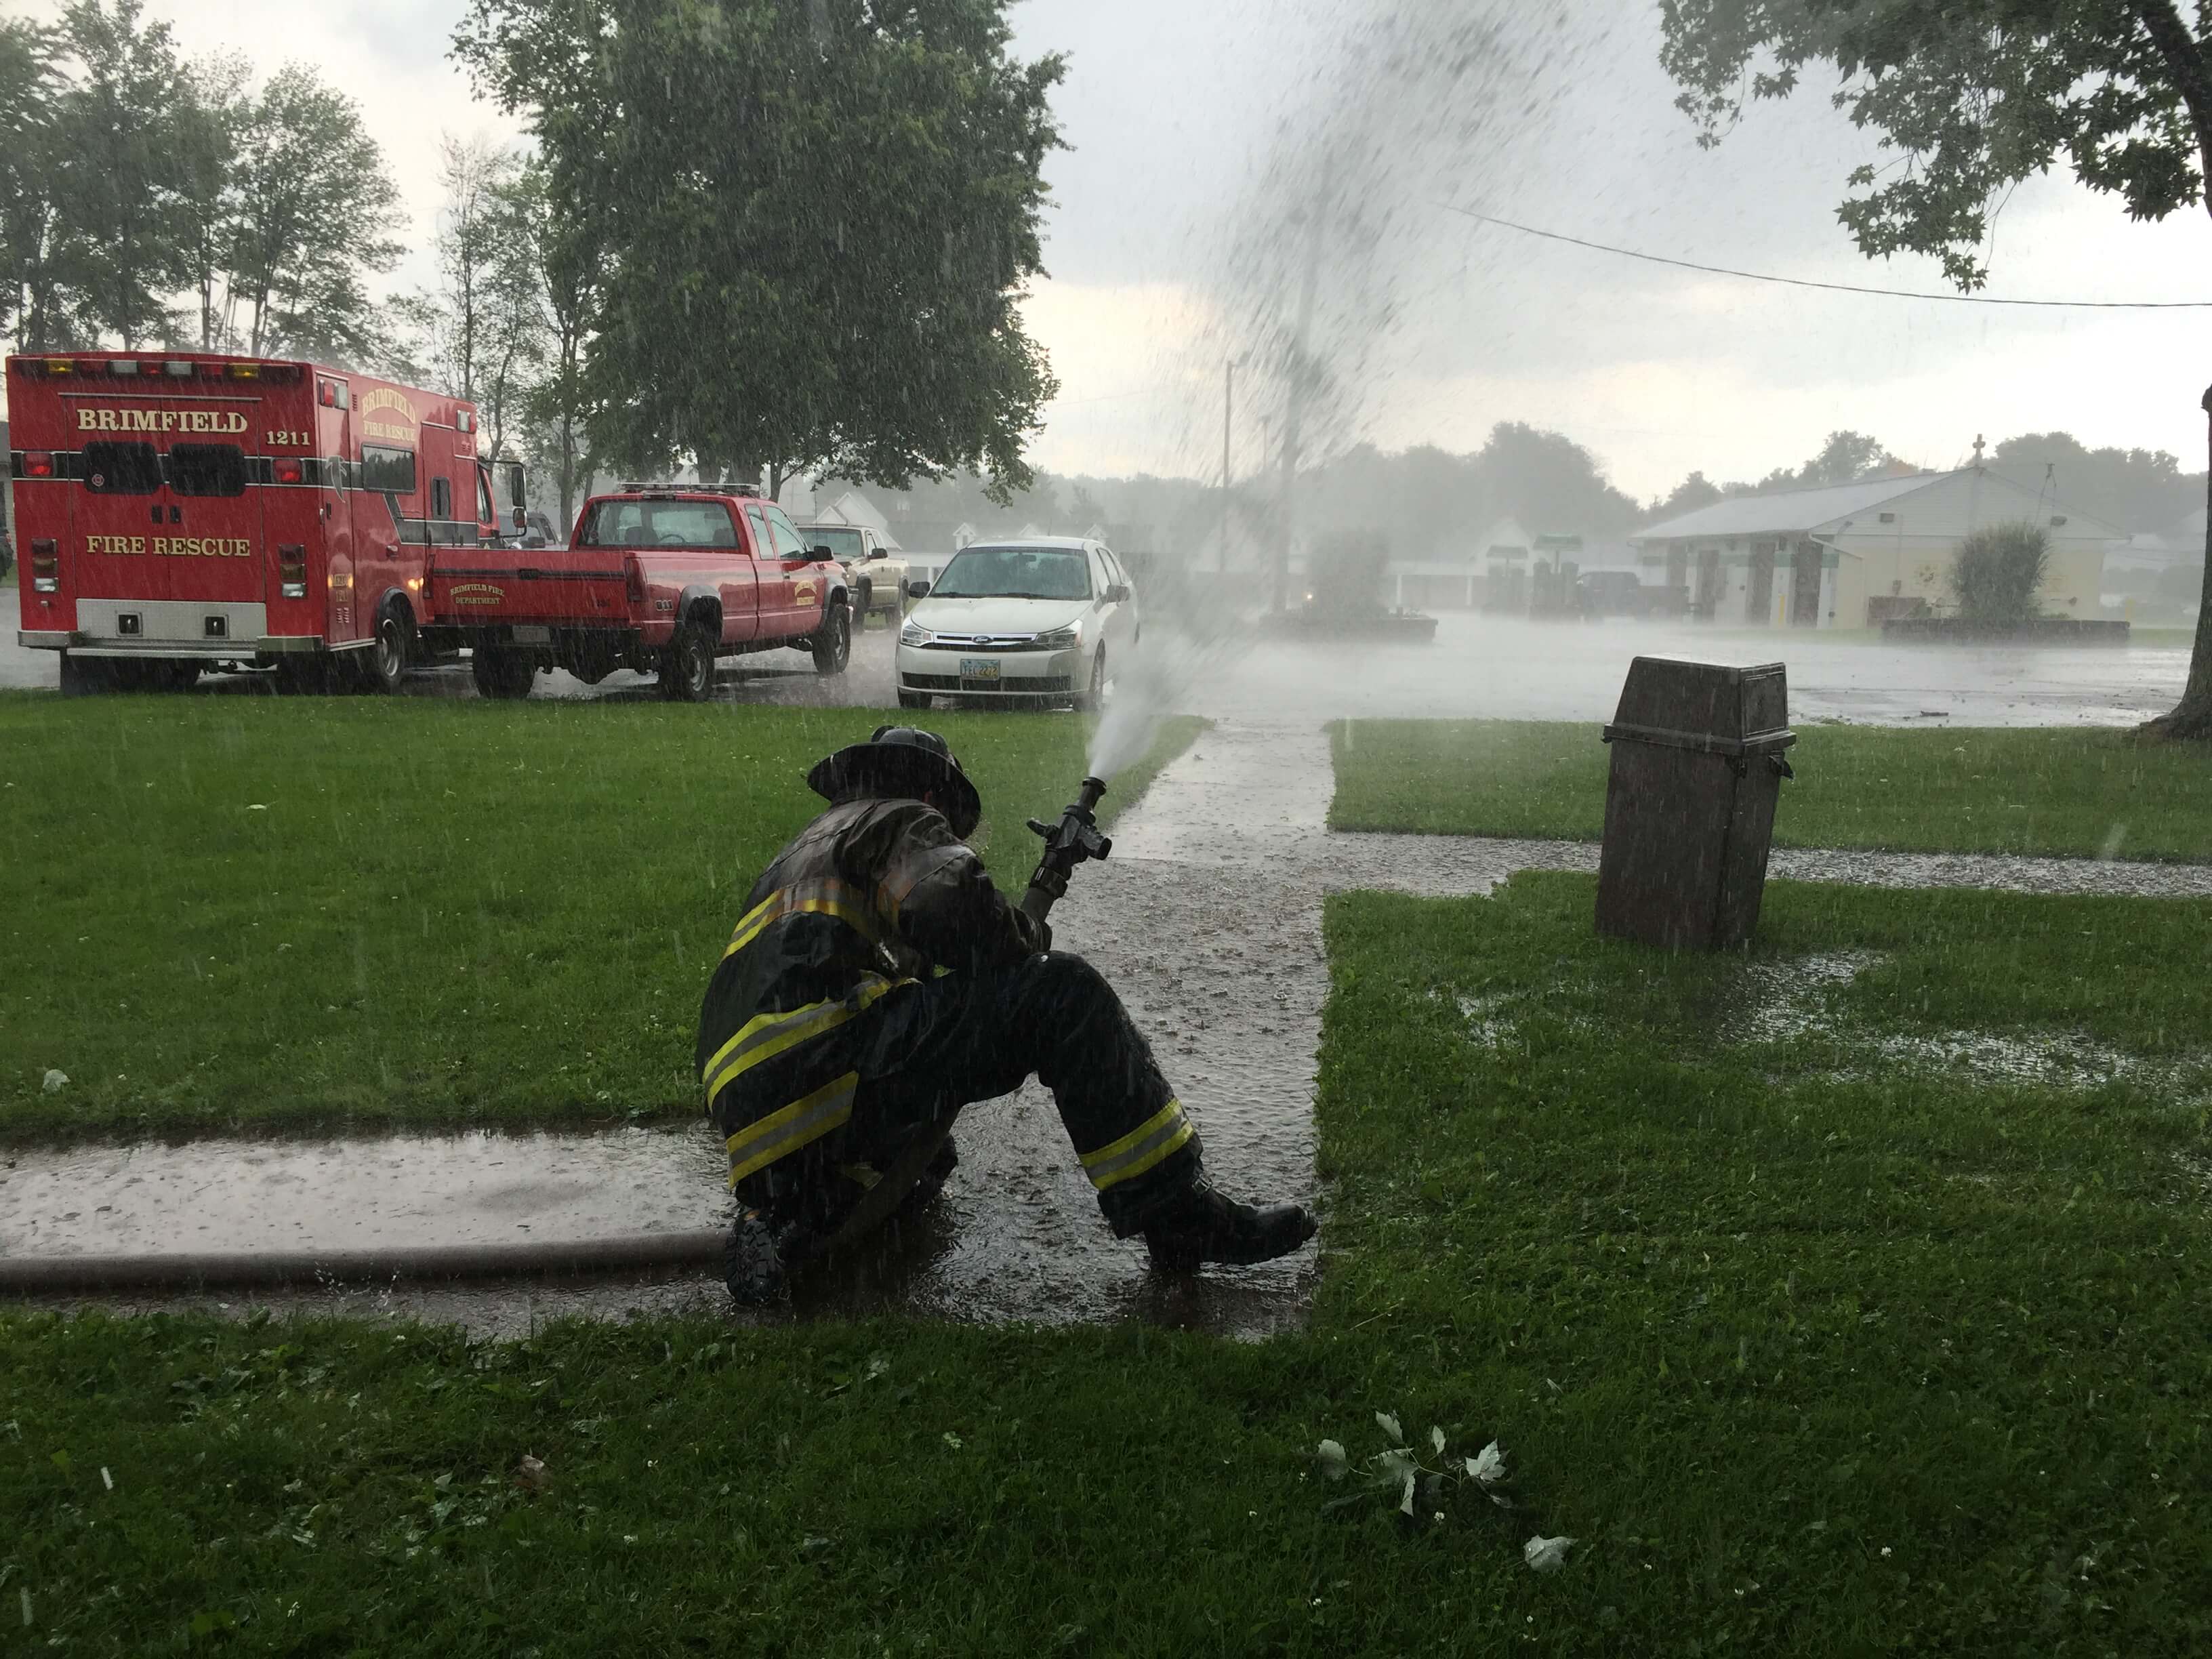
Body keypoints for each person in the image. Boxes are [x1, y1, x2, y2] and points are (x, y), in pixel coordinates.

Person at [697, 725, 1316, 1303]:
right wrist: (1022, 940)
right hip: (830, 1057)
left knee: (927, 1143)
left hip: (753, 1108)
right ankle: (1179, 1215)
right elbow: (954, 912)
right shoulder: (897, 816)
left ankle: (787, 1211)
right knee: (1065, 993)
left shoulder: (800, 853)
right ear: (933, 790)